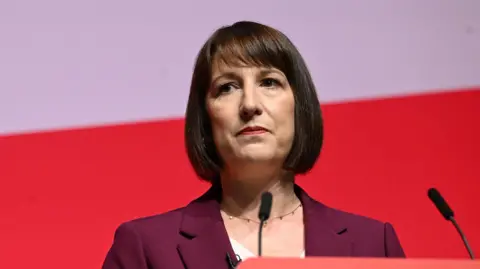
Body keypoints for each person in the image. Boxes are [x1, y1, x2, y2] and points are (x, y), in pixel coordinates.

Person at [102, 20, 405, 269]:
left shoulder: (373, 245)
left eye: (269, 82)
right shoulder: (146, 250)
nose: (250, 104)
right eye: (228, 87)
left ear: (299, 108)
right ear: (206, 118)